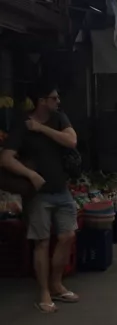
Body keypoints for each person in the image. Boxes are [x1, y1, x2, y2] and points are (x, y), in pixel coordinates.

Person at [0, 84, 79, 313]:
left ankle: (56, 283)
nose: (58, 102)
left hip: (61, 190)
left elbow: (71, 141)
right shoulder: (22, 126)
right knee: (41, 242)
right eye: (54, 98)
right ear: (41, 101)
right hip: (38, 195)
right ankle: (44, 292)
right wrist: (31, 174)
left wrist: (42, 129)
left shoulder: (59, 118)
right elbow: (5, 158)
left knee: (67, 236)